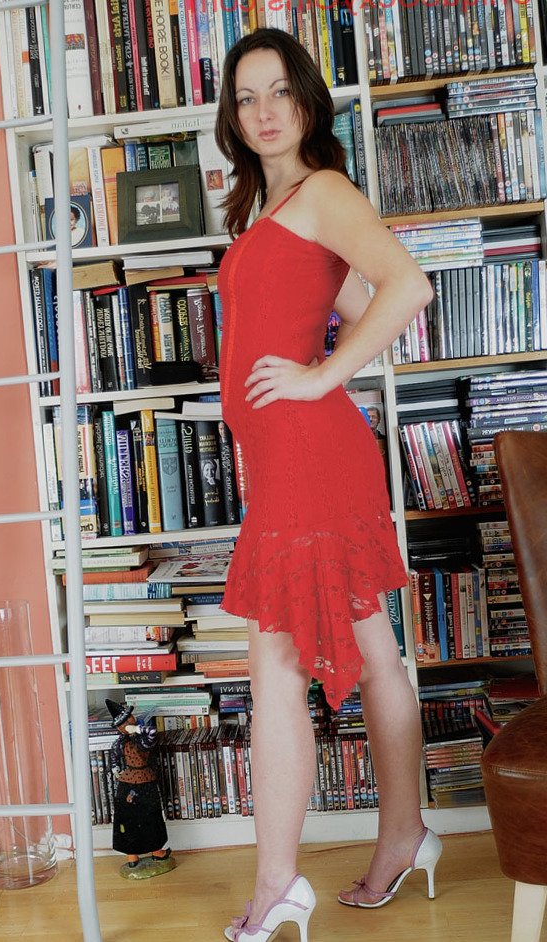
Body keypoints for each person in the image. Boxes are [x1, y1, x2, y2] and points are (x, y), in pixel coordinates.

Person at [214, 28, 442, 942]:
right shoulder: (274, 208)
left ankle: (278, 885)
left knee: (275, 660)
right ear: (232, 117)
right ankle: (405, 836)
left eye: (279, 91)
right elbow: (351, 299)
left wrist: (320, 376)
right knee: (373, 648)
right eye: (245, 97)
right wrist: (314, 364)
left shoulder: (326, 192)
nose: (264, 111)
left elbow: (409, 287)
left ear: (308, 99)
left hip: (311, 452)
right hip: (289, 458)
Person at [105, 699, 174, 875]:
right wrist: (115, 769)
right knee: (129, 818)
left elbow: (152, 732)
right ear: (119, 728)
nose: (129, 722)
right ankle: (132, 856)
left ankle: (155, 851)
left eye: (130, 718)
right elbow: (114, 757)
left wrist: (135, 729)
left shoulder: (141, 741)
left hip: (145, 779)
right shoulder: (120, 744)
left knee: (150, 816)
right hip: (131, 782)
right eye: (124, 723)